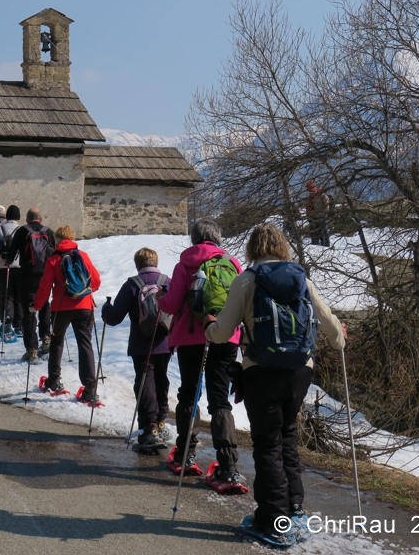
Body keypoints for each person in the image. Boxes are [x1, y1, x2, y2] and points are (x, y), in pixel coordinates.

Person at [204, 222, 346, 544]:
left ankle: (272, 521)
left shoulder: (246, 280)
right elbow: (333, 331)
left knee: (267, 444)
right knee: (288, 438)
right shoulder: (301, 279)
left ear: (253, 249)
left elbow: (224, 332)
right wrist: (340, 336)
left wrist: (209, 329)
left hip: (261, 371)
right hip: (299, 372)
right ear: (282, 247)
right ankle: (295, 510)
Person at [157, 218, 244, 483]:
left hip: (191, 337)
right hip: (226, 336)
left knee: (189, 393)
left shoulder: (185, 264)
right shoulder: (232, 263)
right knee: (219, 398)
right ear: (217, 238)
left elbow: (171, 305)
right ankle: (228, 466)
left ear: (194, 238)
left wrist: (160, 298)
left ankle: (186, 454)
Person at [102, 247, 172, 447]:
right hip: (165, 342)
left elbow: (114, 318)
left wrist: (106, 310)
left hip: (141, 343)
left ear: (137, 264)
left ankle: (149, 428)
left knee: (145, 382)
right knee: (161, 379)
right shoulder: (167, 282)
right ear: (156, 262)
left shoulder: (132, 284)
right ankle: (161, 421)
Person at [34, 225, 101, 402]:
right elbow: (96, 281)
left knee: (56, 342)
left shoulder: (53, 259)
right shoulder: (83, 256)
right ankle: (90, 389)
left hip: (60, 308)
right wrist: (82, 291)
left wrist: (36, 306)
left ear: (57, 239)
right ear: (72, 238)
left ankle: (54, 381)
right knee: (85, 344)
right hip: (84, 306)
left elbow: (45, 287)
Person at [6, 207, 56, 364]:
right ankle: (46, 339)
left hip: (27, 276)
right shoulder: (49, 232)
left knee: (29, 309)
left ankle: (32, 349)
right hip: (45, 276)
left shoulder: (22, 231)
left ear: (27, 219)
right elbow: (54, 253)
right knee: (45, 305)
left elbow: (11, 254)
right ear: (40, 219)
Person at [0, 205, 23, 337]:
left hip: (4, 265)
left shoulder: (1, 228)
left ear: (7, 216)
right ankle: (19, 325)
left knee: (6, 294)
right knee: (18, 296)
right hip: (19, 266)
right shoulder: (21, 229)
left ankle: (7, 318)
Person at [305, 180, 331, 247]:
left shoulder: (323, 196)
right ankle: (315, 245)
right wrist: (308, 216)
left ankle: (326, 245)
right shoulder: (309, 198)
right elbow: (307, 208)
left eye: (311, 188)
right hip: (312, 218)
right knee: (314, 233)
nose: (310, 190)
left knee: (323, 232)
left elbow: (326, 207)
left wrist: (322, 215)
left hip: (321, 218)